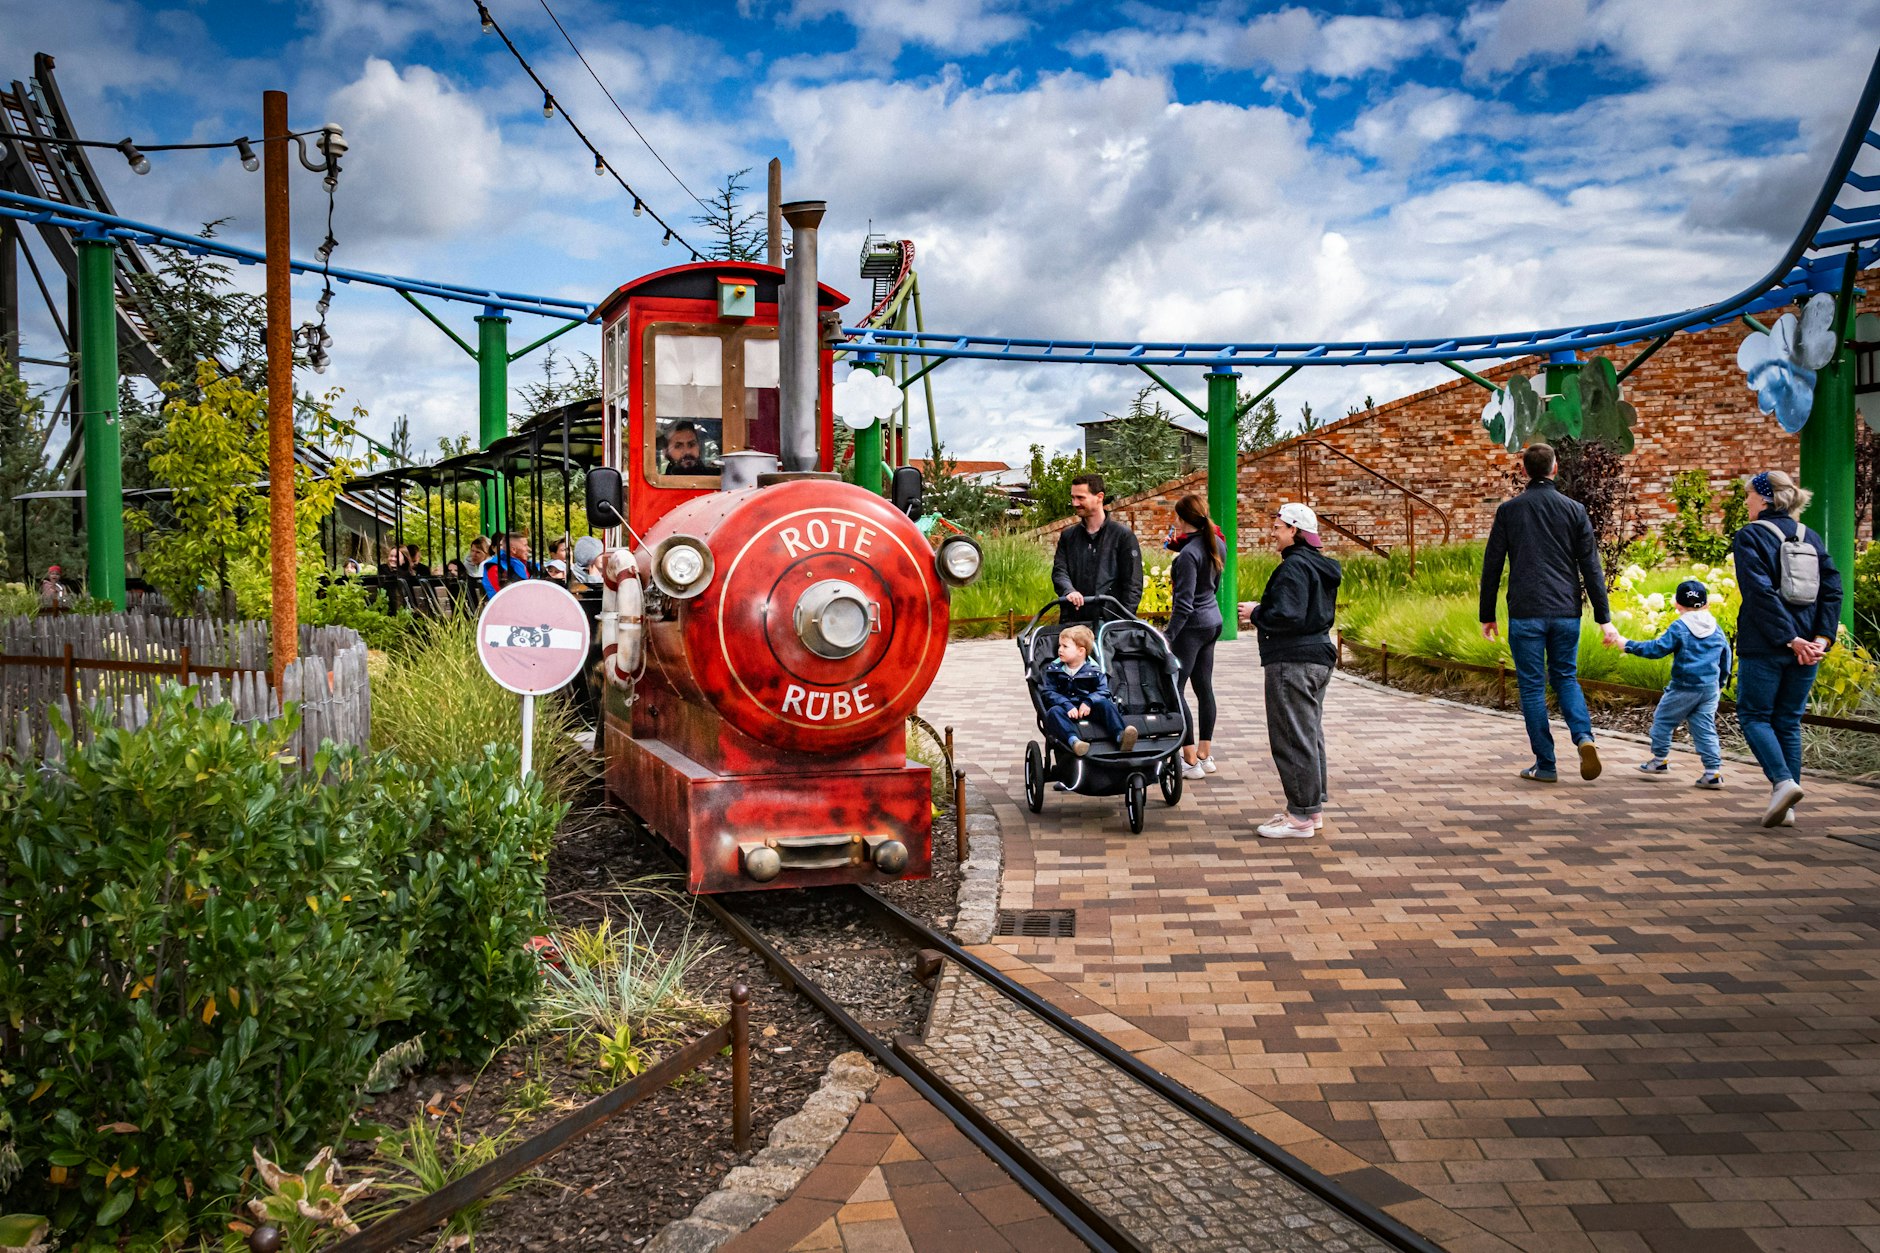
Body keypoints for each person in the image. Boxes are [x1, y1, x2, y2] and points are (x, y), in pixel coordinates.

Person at [1479, 442, 1622, 783]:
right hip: (1565, 610)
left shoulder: (1509, 511)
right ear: (1555, 468)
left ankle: (1546, 765)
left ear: (1525, 471)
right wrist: (1604, 619)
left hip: (1526, 611)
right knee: (1566, 677)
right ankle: (1584, 737)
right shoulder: (1574, 510)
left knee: (1531, 688)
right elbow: (1591, 567)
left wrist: (1487, 614)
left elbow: (1492, 565)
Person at [1731, 469, 1842, 827]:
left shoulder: (1750, 536)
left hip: (1767, 645)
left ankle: (1783, 784)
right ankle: (1787, 807)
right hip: (1809, 646)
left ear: (1763, 498)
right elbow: (1832, 590)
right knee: (1789, 722)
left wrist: (1788, 638)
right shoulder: (1812, 537)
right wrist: (1820, 639)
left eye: (1748, 495)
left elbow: (1759, 592)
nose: (1746, 501)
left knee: (1754, 716)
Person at [1248, 503, 1342, 840]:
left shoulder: (1293, 568)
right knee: (1309, 734)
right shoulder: (1319, 566)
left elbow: (1287, 615)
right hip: (1317, 658)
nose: (1272, 533)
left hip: (1292, 661)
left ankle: (1300, 815)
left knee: (1291, 736)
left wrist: (1257, 612)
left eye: (1277, 527)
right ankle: (1309, 809)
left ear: (1294, 531)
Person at [1615, 578, 1732, 788]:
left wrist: (1628, 645)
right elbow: (1726, 657)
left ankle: (1659, 761)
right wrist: (1720, 682)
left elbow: (1657, 649)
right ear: (1706, 604)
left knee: (1663, 719)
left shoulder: (1680, 626)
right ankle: (1713, 773)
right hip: (1709, 688)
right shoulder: (1716, 628)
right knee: (1704, 728)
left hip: (1684, 687)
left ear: (1677, 604)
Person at [1162, 494, 1223, 781]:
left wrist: (1168, 636)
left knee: (1175, 687)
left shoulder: (1187, 555)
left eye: (1177, 517)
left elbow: (1183, 604)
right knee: (1203, 687)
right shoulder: (1216, 544)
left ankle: (1188, 760)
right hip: (1212, 621)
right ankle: (1204, 754)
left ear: (1183, 518)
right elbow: (1214, 586)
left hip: (1191, 628)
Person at [1051, 473, 1143, 623]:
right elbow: (1059, 571)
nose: (1075, 503)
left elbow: (1133, 584)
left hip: (1109, 624)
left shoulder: (1122, 536)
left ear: (1099, 497)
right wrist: (1069, 591)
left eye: (1080, 498)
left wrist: (1123, 623)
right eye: (1073, 497)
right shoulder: (1068, 536)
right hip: (1074, 623)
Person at [1039, 624, 1139, 757]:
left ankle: (1121, 737)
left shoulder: (1094, 670)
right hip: (1065, 708)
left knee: (1107, 705)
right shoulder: (1055, 669)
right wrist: (1066, 704)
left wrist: (1089, 701)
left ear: (1081, 651)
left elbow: (1103, 691)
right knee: (1053, 713)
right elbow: (1048, 692)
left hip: (1088, 708)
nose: (1060, 650)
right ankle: (1074, 742)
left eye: (1065, 646)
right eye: (1059, 646)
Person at [480, 529, 536, 595]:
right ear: (513, 550)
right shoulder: (496, 568)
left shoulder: (526, 565)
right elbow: (507, 596)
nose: (529, 549)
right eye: (525, 545)